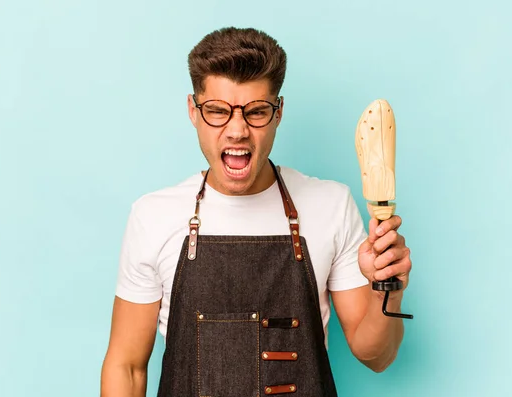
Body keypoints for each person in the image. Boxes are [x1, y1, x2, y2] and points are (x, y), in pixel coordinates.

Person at [100, 27, 412, 397]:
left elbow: (376, 355)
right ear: (193, 111)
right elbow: (127, 366)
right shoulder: (154, 215)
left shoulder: (330, 205)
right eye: (216, 111)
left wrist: (385, 289)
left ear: (278, 113)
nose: (237, 131)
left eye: (256, 112)